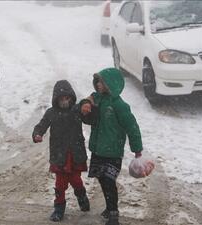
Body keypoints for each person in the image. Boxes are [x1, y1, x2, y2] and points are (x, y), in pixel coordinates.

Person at [80, 68, 143, 225]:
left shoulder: (120, 105)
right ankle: (109, 207)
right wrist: (86, 104)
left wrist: (137, 149)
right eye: (98, 81)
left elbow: (132, 127)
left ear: (111, 84)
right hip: (98, 149)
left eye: (102, 82)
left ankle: (113, 213)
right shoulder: (97, 98)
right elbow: (85, 100)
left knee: (109, 181)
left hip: (113, 151)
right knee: (102, 180)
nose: (99, 85)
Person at [32, 80, 90, 222]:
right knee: (60, 184)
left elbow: (88, 118)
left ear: (71, 98)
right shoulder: (51, 113)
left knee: (76, 180)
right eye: (61, 99)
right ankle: (59, 208)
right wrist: (37, 134)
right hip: (59, 155)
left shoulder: (76, 110)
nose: (64, 101)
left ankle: (81, 195)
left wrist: (87, 108)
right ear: (56, 99)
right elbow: (41, 125)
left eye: (67, 98)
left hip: (75, 153)